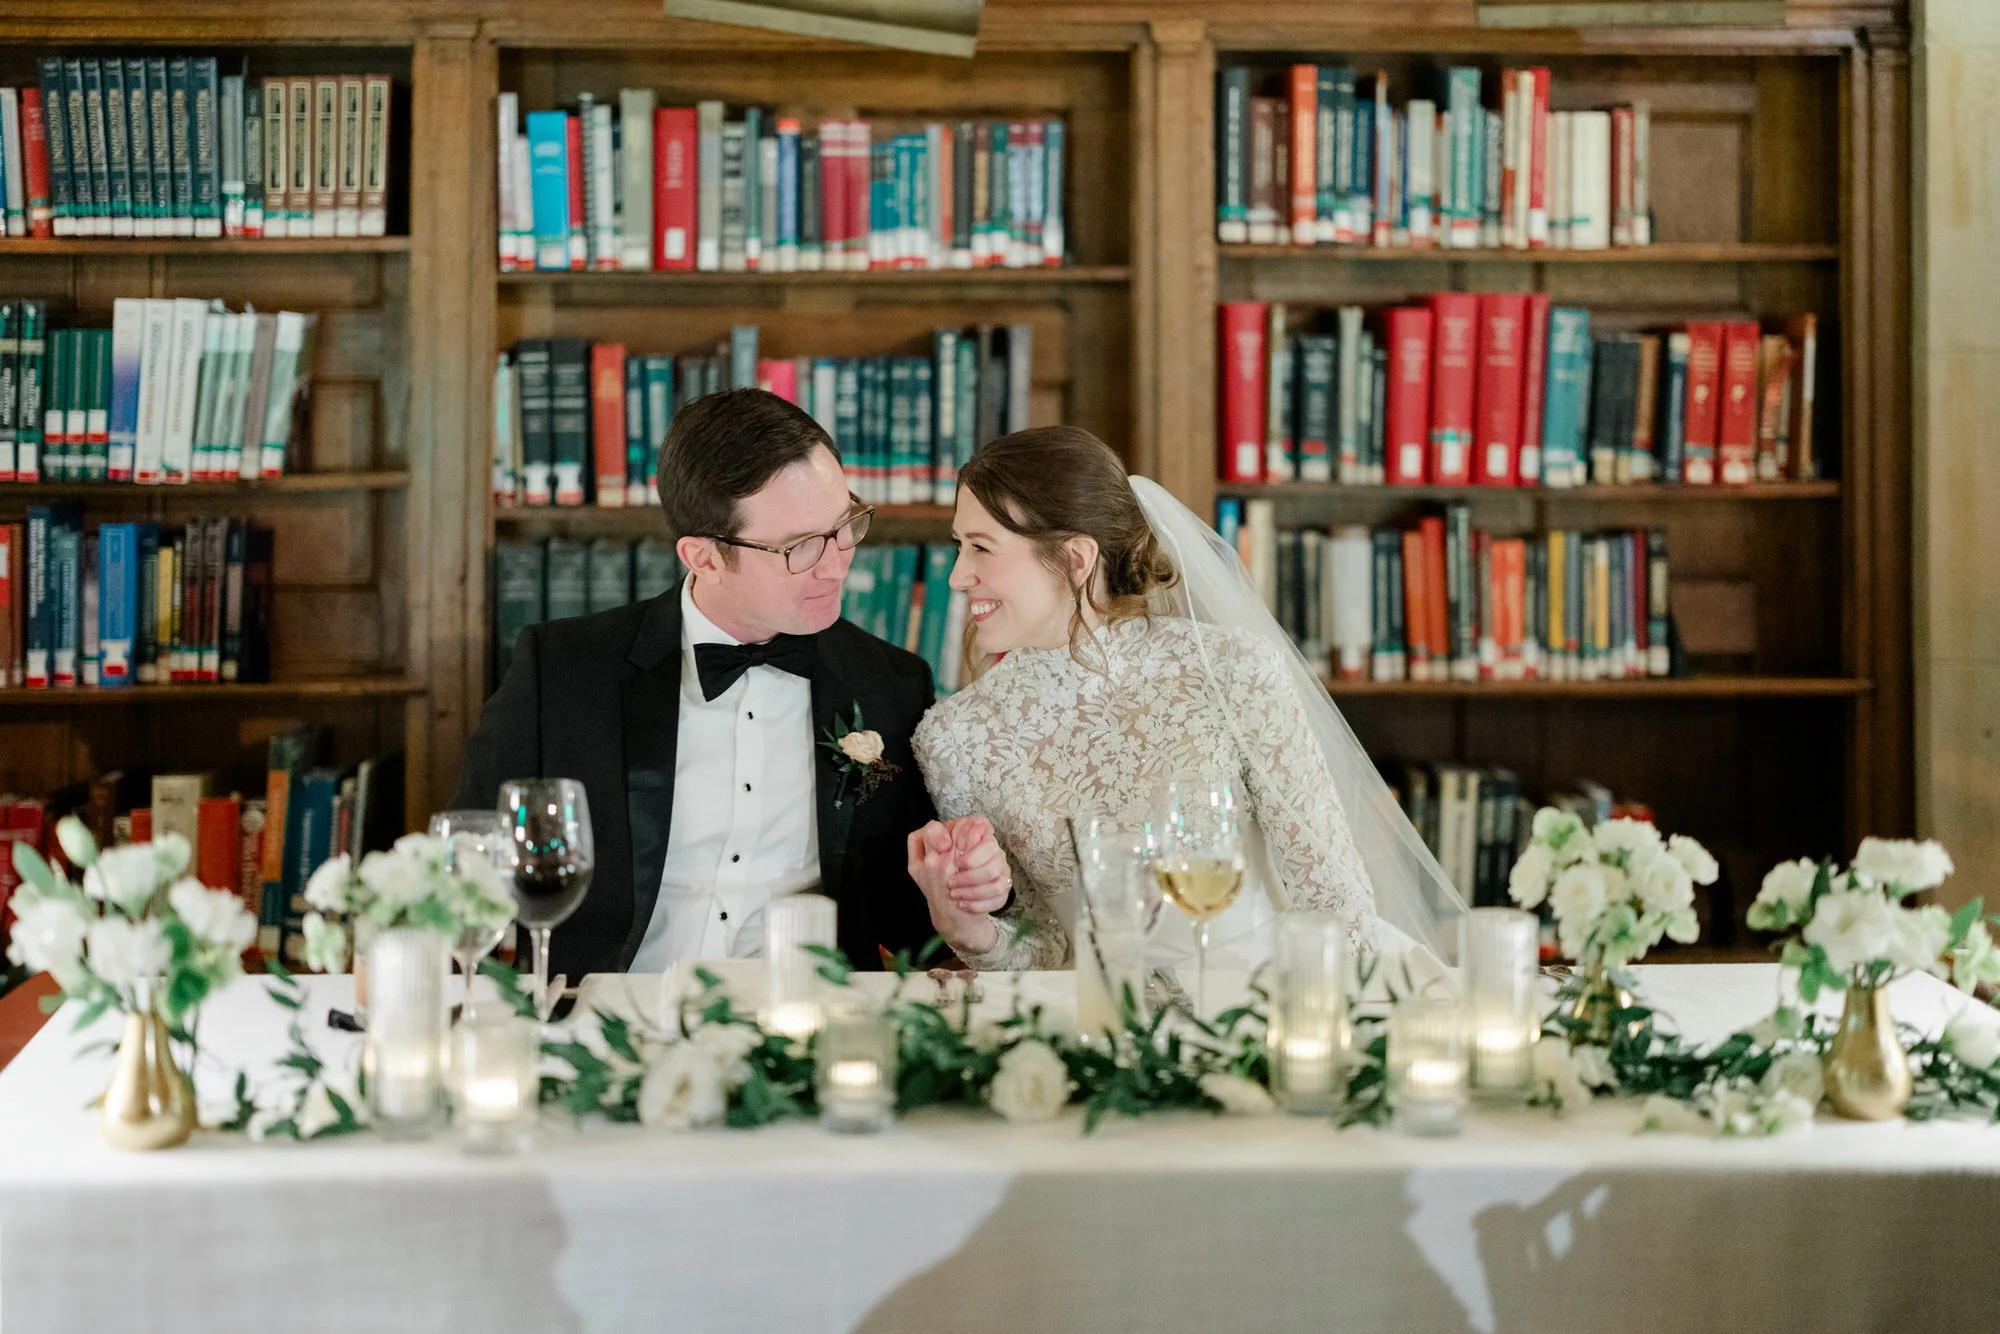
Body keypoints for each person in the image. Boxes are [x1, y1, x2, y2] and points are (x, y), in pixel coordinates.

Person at [453, 388, 1009, 980]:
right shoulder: (563, 672)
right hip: (607, 1022)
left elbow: (905, 919)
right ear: (703, 557)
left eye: (843, 525)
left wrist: (958, 884)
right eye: (798, 547)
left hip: (811, 1031)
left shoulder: (891, 683)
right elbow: (467, 873)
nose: (837, 562)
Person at [905, 426, 1465, 976]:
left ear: (1075, 560)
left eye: (981, 547)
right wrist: (969, 929)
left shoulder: (1232, 670)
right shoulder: (955, 738)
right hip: (1101, 1033)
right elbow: (1045, 949)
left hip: (1267, 1006)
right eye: (960, 545)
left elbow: (1331, 897)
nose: (958, 576)